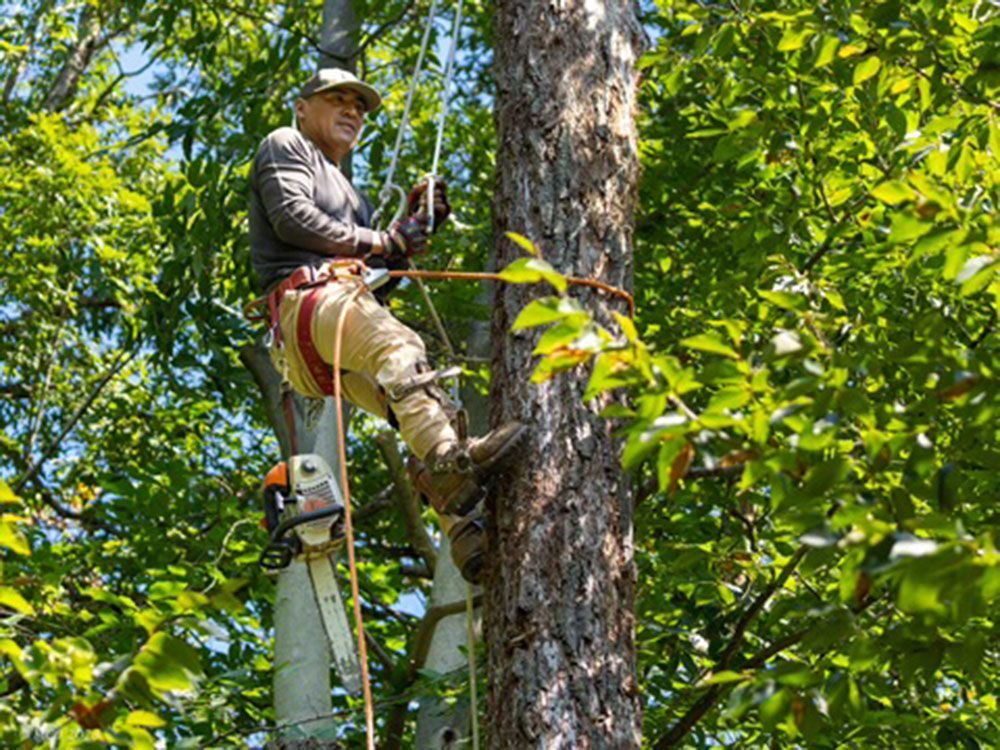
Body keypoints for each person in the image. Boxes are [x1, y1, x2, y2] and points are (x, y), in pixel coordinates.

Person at [248, 68, 525, 582]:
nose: (352, 110)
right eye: (338, 100)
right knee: (399, 344)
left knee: (422, 404)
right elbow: (292, 218)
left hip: (326, 331)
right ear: (303, 108)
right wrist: (383, 241)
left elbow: (377, 283)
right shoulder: (286, 144)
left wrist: (412, 236)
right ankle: (447, 465)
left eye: (360, 105)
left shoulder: (354, 200)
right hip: (306, 305)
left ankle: (465, 531)